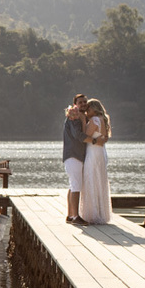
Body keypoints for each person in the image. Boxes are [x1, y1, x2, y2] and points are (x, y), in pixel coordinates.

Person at [77, 98, 113, 225]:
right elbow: (105, 138)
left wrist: (82, 121)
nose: (87, 111)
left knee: (91, 179)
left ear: (94, 109)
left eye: (88, 109)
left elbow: (85, 135)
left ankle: (92, 214)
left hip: (93, 152)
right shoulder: (103, 120)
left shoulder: (94, 120)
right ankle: (101, 212)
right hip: (101, 152)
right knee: (99, 180)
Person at [62, 93, 89, 224]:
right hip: (73, 155)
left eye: (85, 102)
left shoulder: (79, 116)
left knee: (73, 185)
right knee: (76, 186)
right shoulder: (74, 117)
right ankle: (75, 217)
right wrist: (94, 140)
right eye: (80, 102)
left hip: (73, 155)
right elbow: (78, 135)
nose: (83, 104)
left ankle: (70, 215)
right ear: (75, 105)